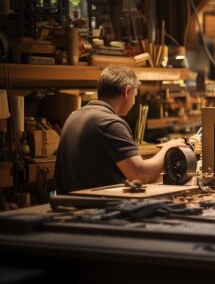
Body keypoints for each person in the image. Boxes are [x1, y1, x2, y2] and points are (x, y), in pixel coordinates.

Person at [55, 65, 185, 194]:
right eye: (134, 95)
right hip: (97, 209)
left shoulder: (73, 116)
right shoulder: (110, 123)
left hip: (69, 207)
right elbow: (140, 175)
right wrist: (168, 148)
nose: (134, 102)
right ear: (127, 91)